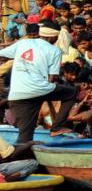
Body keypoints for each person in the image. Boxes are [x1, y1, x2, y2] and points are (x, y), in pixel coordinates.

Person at [0, 23, 75, 154]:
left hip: (17, 96)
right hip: (39, 90)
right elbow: (53, 78)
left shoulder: (23, 43)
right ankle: (57, 127)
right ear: (54, 36)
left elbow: (2, 54)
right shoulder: (54, 50)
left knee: (25, 136)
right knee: (71, 93)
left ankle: (21, 161)